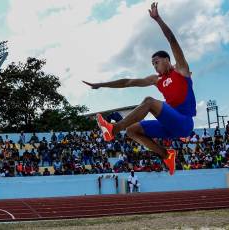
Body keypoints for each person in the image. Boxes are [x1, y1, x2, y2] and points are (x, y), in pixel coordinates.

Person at [83, 2, 196, 176]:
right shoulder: (156, 79)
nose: (154, 66)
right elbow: (128, 82)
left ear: (166, 60)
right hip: (169, 125)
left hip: (184, 122)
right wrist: (101, 84)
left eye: (156, 62)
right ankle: (166, 155)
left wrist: (158, 19)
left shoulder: (181, 69)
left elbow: (172, 40)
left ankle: (113, 129)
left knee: (149, 102)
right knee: (132, 130)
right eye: (152, 64)